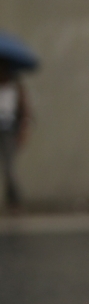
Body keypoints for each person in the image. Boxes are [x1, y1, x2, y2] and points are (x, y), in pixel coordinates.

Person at [0, 59, 30, 212]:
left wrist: (22, 132)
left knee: (9, 167)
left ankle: (14, 200)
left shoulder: (15, 87)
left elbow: (25, 111)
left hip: (9, 130)